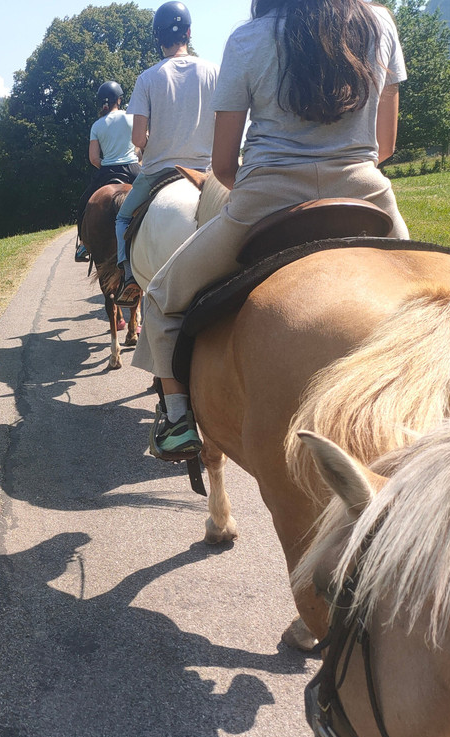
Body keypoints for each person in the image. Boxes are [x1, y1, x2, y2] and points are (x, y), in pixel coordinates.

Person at [137, 0, 409, 460]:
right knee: (433, 294)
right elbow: (386, 144)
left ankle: (178, 420)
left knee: (160, 299)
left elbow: (222, 165)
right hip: (365, 193)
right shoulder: (378, 22)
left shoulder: (248, 38)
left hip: (265, 201)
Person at [114, 1, 218, 305]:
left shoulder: (148, 78)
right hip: (206, 173)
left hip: (158, 172)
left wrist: (157, 137)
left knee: (121, 217)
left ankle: (131, 281)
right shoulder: (213, 70)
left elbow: (138, 137)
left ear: (158, 38)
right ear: (188, 32)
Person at [75, 81, 141, 262]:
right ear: (119, 100)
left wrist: (108, 163)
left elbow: (94, 159)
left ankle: (83, 245)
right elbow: (142, 142)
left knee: (83, 204)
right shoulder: (131, 117)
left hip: (106, 171)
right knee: (156, 196)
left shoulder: (96, 126)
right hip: (133, 168)